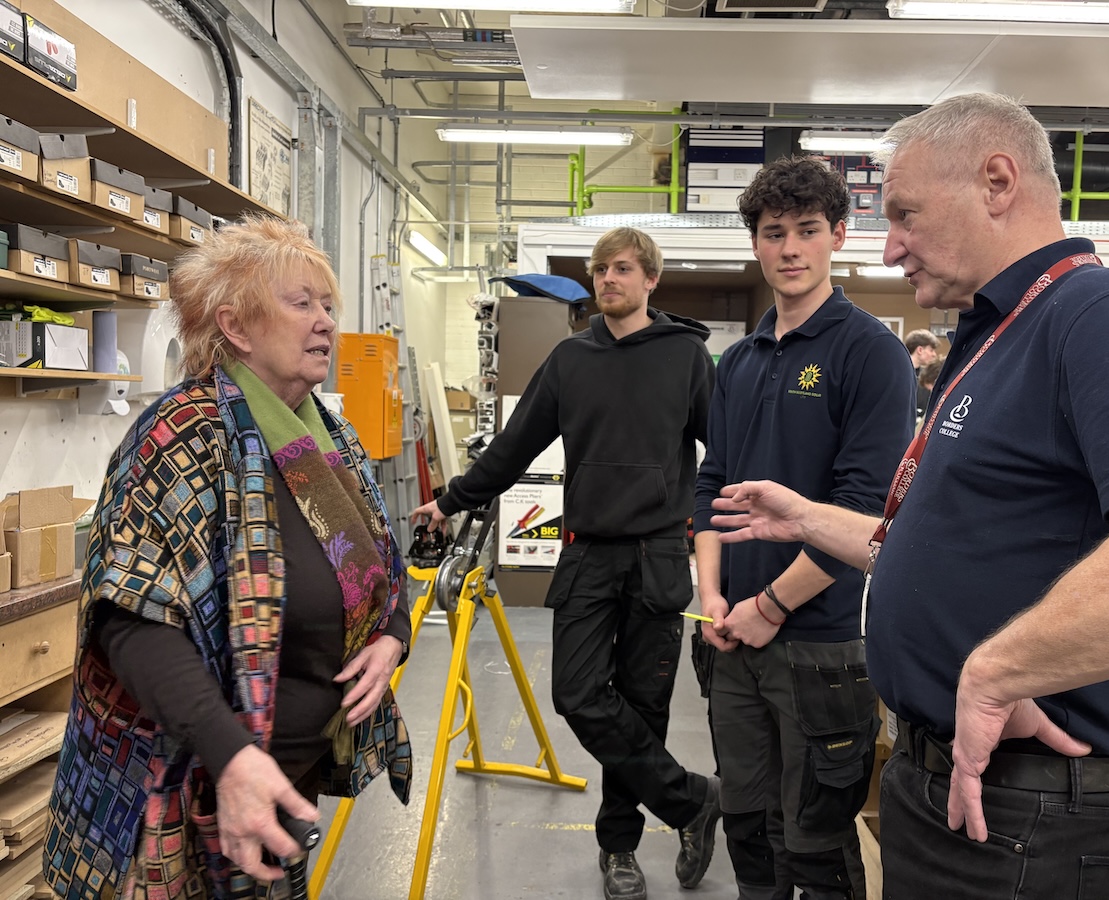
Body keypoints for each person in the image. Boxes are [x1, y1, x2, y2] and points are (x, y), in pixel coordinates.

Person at [709, 93, 1109, 900]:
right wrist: (805, 517)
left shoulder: (1102, 315)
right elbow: (958, 548)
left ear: (997, 181)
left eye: (904, 213)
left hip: (1035, 809)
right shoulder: (1001, 334)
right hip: (963, 787)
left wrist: (999, 671)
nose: (891, 244)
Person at [43, 215, 414, 900]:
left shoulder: (325, 440)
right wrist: (232, 755)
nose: (326, 321)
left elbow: (386, 570)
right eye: (301, 303)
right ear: (236, 328)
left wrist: (393, 636)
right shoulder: (181, 437)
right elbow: (130, 617)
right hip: (184, 793)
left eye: (327, 304)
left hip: (279, 788)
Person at [413, 226, 720, 900]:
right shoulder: (569, 360)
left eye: (622, 268)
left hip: (658, 557)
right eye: (600, 269)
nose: (608, 279)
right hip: (584, 556)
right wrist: (450, 501)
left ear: (650, 280)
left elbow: (722, 456)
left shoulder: (687, 358)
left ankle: (619, 851)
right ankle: (691, 799)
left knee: (643, 709)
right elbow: (514, 448)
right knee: (578, 695)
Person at [692, 156, 914, 900]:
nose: (789, 248)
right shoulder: (738, 362)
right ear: (755, 242)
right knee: (747, 828)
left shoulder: (871, 353)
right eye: (773, 231)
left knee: (813, 845)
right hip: (732, 642)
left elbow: (867, 513)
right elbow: (712, 481)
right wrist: (713, 598)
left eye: (807, 231)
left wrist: (772, 606)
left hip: (819, 645)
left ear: (839, 236)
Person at [903, 329, 940, 415]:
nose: (934, 354)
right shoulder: (898, 374)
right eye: (931, 350)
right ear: (920, 350)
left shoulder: (927, 377)